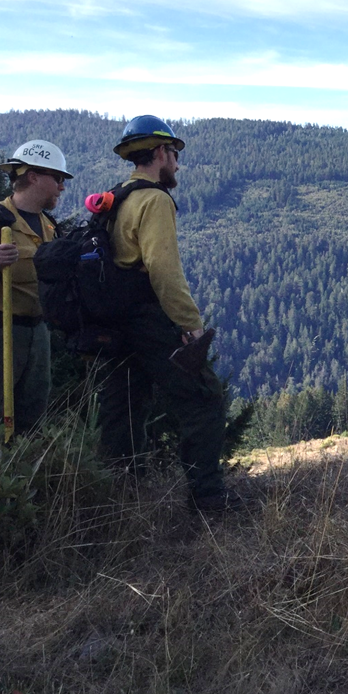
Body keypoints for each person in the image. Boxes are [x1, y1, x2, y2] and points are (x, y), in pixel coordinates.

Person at [96, 115, 243, 514]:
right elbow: (163, 270)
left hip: (112, 322)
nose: (177, 163)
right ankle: (208, 499)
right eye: (174, 153)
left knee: (123, 408)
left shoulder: (118, 196)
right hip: (147, 320)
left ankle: (118, 501)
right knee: (204, 399)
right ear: (160, 152)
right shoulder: (155, 199)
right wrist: (191, 327)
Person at [0, 141, 70, 434]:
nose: (61, 187)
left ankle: (21, 477)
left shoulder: (49, 227)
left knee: (31, 420)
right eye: (57, 179)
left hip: (37, 334)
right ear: (32, 176)